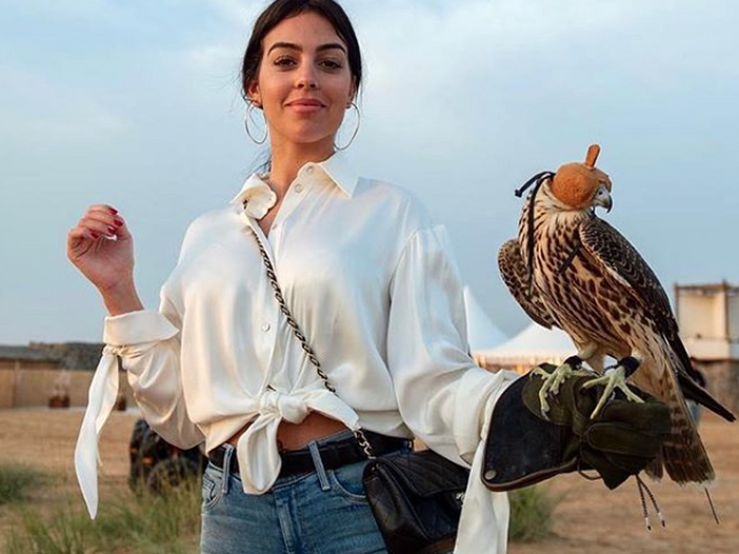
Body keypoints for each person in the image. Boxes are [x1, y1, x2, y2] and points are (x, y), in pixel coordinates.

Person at [67, 1, 667, 553]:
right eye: (285, 61)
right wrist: (118, 289)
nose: (307, 76)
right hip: (230, 510)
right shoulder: (209, 236)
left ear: (351, 88)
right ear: (254, 86)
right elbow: (177, 417)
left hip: (355, 503)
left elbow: (433, 380)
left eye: (329, 63)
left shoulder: (395, 215)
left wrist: (530, 402)